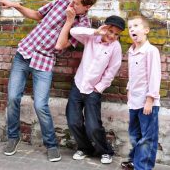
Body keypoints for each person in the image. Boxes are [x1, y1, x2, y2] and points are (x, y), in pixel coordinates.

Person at [0, 0, 98, 162]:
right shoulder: (61, 1)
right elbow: (37, 15)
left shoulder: (84, 25)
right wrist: (16, 6)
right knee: (12, 98)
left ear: (87, 7)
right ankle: (13, 137)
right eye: (72, 0)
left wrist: (68, 21)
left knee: (40, 105)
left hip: (44, 61)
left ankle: (51, 144)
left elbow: (60, 46)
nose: (71, 5)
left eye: (76, 3)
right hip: (24, 53)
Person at [59, 15, 125, 164]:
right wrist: (95, 32)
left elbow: (112, 70)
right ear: (104, 27)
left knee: (93, 126)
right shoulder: (91, 38)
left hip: (93, 90)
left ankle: (105, 151)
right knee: (73, 121)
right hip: (78, 85)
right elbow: (74, 31)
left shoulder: (115, 47)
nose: (112, 36)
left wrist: (99, 87)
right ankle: (85, 148)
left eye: (116, 34)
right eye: (110, 31)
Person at [121, 16, 161, 170]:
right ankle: (134, 161)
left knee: (147, 137)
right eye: (130, 27)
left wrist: (150, 100)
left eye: (136, 26)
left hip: (147, 103)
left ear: (146, 30)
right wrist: (129, 91)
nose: (132, 29)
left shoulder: (151, 51)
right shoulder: (132, 51)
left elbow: (154, 76)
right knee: (134, 134)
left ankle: (143, 166)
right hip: (134, 101)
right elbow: (133, 75)